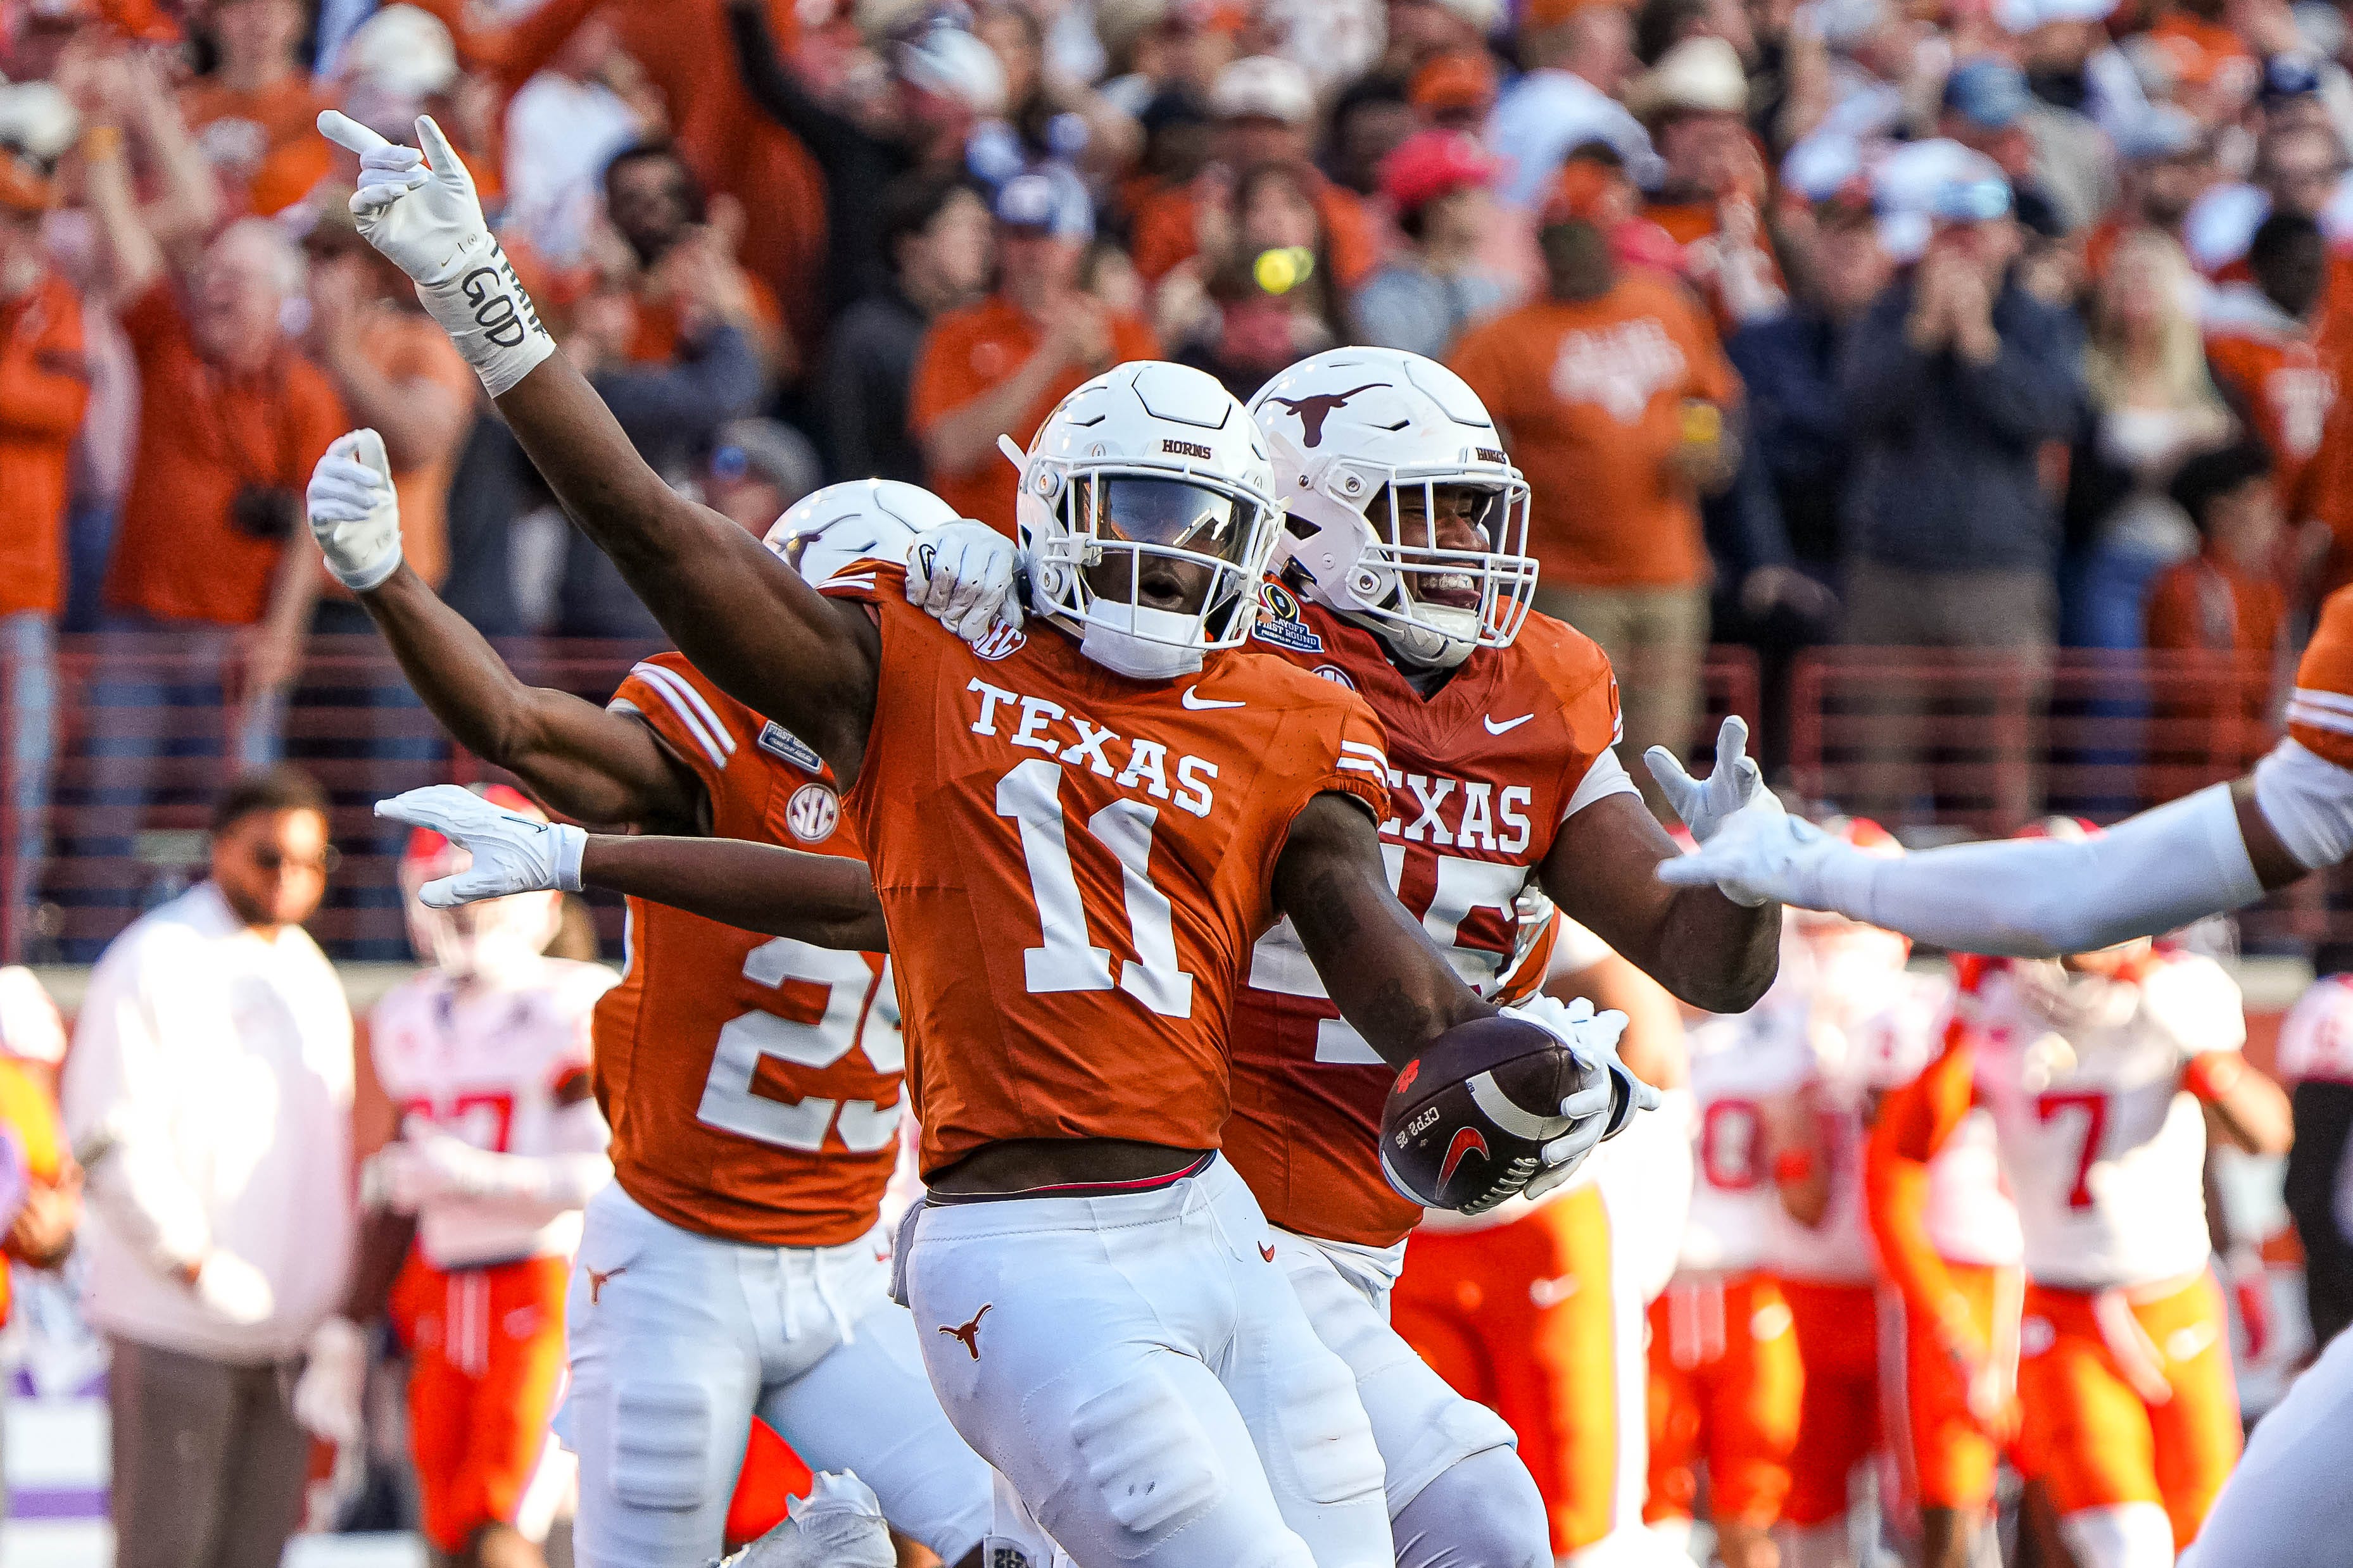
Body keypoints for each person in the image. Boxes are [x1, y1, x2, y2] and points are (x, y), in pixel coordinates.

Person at [323, 108, 1665, 1568]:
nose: (1160, 556)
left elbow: (1364, 939)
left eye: (1199, 522)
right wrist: (481, 294)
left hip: (1205, 1214)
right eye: (1129, 512)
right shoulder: (934, 664)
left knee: (1454, 1524)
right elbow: (651, 528)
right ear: (1045, 518)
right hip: (1019, 1239)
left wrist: (1490, 1052)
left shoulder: (1283, 706)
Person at [302, 440, 1000, 1566]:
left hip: (844, 1262)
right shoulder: (715, 744)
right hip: (680, 1262)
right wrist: (389, 581)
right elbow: (522, 726)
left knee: (1008, 1530)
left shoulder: (967, 781)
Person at [1874, 910, 2291, 1568]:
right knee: (2124, 1546)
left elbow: (2266, 1134)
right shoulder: (1998, 1014)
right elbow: (1908, 1149)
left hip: (2177, 1302)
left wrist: (2206, 1060)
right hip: (2064, 1319)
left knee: (2212, 1535)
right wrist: (1960, 1025)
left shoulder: (2170, 995)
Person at [291, 788, 617, 1568]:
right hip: (441, 1293)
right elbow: (398, 1189)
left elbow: (616, 1175)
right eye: (445, 886)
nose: (464, 910)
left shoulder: (572, 1004)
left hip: (544, 1287)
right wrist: (348, 1324)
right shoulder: (412, 1015)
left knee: (502, 1520)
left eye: (480, 886)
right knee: (443, 1523)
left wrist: (476, 1175)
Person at [61, 766, 353, 1568]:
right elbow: (104, 1134)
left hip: (285, 1336)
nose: (290, 876)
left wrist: (329, 1301)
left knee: (255, 1551)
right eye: (269, 855)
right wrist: (188, 1260)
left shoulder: (309, 972)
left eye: (312, 861)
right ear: (221, 848)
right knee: (167, 1550)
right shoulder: (157, 956)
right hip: (174, 1322)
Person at [1392, 920, 1694, 1564]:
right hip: (1379, 1230)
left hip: (1539, 1228)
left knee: (1584, 1531)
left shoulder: (1499, 824)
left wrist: (1641, 1186)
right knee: (1405, 1523)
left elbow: (1635, 1013)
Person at [1450, 146, 1739, 816]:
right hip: (1567, 573)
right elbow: (1462, 436)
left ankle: (1658, 871)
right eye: (1560, 235)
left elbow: (1709, 398)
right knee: (1581, 742)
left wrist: (1707, 446)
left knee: (1663, 743)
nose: (1573, 249)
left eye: (1584, 231)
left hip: (1668, 566)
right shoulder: (1501, 336)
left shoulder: (1664, 306)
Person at [1838, 151, 2085, 655]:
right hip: (1890, 568)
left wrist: (1981, 348)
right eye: (1952, 232)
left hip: (2001, 570)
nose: (1964, 246)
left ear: (2011, 239)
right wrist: (1923, 336)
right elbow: (1858, 412)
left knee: (1995, 733)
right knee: (1876, 735)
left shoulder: (2042, 323)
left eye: (1979, 231)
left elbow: (2052, 417)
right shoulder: (1887, 313)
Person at [1863, 970, 2028, 1568]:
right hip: (1951, 1278)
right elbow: (1889, 1189)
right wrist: (1947, 1317)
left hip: (2032, 1279)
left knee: (2057, 1492)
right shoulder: (1917, 1025)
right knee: (1949, 1494)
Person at [1643, 989, 1804, 1568]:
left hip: (1746, 1292)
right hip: (1653, 1295)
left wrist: (1794, 1138)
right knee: (1649, 1504)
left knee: (1756, 1501)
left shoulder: (1775, 1039)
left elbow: (1809, 1200)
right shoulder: (1626, 1017)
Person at [910, 170, 1158, 534]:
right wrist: (1050, 358)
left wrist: (1102, 368)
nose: (1031, 251)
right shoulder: (957, 333)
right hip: (980, 544)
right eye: (1018, 235)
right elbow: (951, 452)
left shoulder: (1122, 333)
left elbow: (1153, 452)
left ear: (1077, 243)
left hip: (1092, 546)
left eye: (1046, 235)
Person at [0, 110, 91, 944]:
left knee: (20, 781)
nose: (13, 233)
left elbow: (61, 409)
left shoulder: (53, 302)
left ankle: (8, 946)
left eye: (25, 216)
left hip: (24, 586)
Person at [2062, 229, 2233, 648]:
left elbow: (2242, 471)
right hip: (2108, 559)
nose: (2136, 288)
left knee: (2189, 701)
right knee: (2119, 701)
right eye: (2125, 275)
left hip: (2192, 563)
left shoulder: (2209, 377)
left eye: (2148, 276)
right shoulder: (2081, 371)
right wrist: (2159, 467)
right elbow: (2072, 486)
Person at [819, 172, 993, 485]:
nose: (982, 242)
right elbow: (851, 456)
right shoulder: (867, 337)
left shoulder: (990, 334)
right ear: (912, 246)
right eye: (965, 227)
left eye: (985, 229)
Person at [2142, 442, 2285, 777]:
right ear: (2222, 513)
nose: (2277, 524)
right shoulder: (2181, 587)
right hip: (2193, 787)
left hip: (2247, 778)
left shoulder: (2268, 592)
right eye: (2266, 509)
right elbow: (2193, 703)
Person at [2203, 212, 2333, 517]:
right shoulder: (2226, 343)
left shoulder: (2333, 339)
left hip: (2324, 503)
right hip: (2258, 503)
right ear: (2262, 267)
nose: (2313, 282)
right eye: (2301, 269)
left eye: (2318, 270)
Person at [1354, 129, 1517, 362]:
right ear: (1443, 205)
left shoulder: (1497, 290)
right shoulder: (1385, 299)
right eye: (1476, 191)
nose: (1490, 202)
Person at [2276, 950, 2353, 1347]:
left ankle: (2329, 1332)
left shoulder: (2319, 997)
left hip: (2317, 1096)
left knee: (2311, 1202)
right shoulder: (2331, 998)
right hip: (2329, 1095)